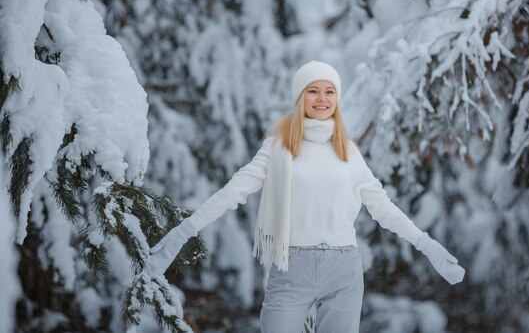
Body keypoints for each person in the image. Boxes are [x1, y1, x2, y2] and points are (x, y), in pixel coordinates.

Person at [147, 60, 465, 333]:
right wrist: (183, 232)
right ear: (300, 96)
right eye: (313, 90)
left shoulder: (348, 151)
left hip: (343, 270)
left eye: (329, 92)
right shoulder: (278, 148)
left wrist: (427, 244)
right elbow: (233, 191)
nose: (322, 99)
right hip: (291, 268)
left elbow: (382, 208)